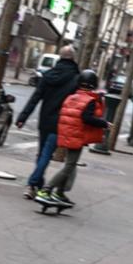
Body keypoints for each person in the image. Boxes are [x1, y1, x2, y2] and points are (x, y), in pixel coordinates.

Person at [35, 69, 108, 207]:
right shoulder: (90, 100)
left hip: (66, 134)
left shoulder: (71, 97)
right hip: (77, 136)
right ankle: (47, 190)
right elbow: (87, 118)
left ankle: (60, 192)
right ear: (93, 84)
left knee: (70, 164)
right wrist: (104, 124)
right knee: (69, 166)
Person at [16, 44, 80, 199]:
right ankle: (32, 184)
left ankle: (37, 184)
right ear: (73, 58)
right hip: (63, 122)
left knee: (42, 153)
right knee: (46, 154)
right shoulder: (76, 78)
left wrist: (22, 117)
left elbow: (35, 98)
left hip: (45, 120)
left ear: (60, 57)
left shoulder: (48, 75)